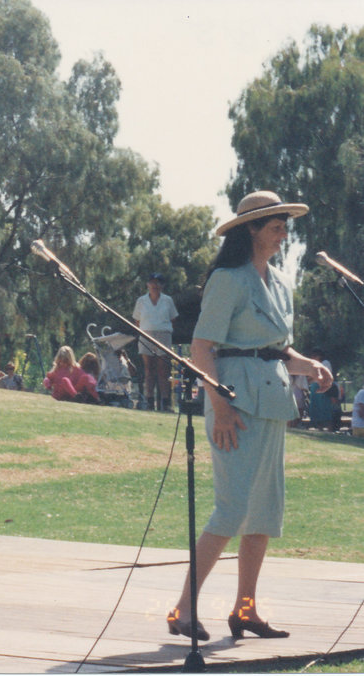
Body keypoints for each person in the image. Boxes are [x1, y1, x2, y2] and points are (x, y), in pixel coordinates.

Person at [166, 191, 332, 642]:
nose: (282, 233)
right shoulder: (227, 279)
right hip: (234, 405)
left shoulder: (279, 282)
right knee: (231, 509)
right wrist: (219, 406)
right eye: (274, 226)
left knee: (263, 513)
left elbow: (276, 351)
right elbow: (202, 348)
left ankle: (246, 610)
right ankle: (183, 609)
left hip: (272, 403)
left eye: (284, 225)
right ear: (251, 230)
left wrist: (309, 366)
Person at [132, 272, 179, 412]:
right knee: (149, 369)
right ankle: (149, 401)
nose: (155, 285)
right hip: (146, 334)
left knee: (163, 370)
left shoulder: (167, 300)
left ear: (162, 285)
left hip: (163, 335)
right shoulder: (141, 301)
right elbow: (137, 320)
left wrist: (162, 328)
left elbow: (173, 319)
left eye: (158, 283)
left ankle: (165, 403)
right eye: (152, 282)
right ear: (148, 284)